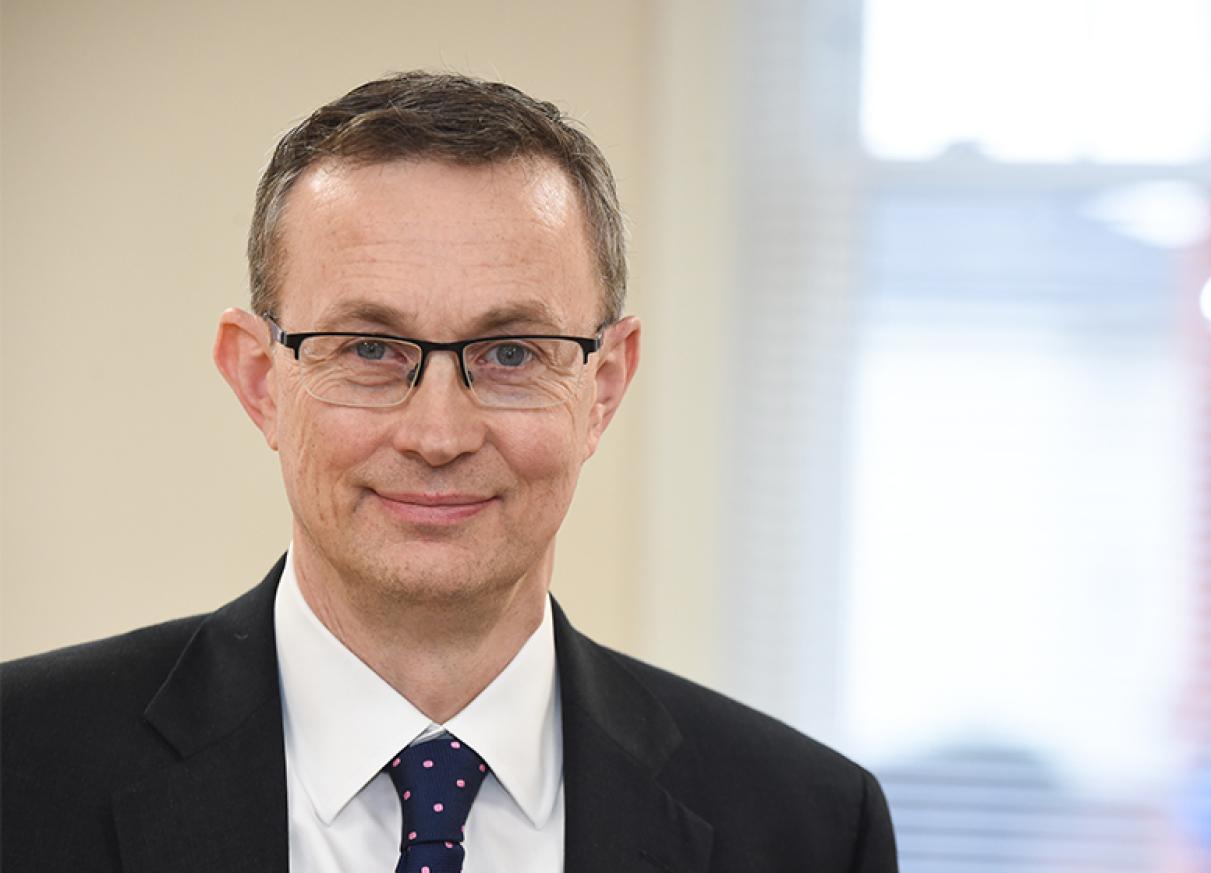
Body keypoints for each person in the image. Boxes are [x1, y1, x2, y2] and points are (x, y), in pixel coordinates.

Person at [1, 71, 897, 873]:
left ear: (606, 386)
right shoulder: (20, 766)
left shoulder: (809, 829)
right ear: (258, 380)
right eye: (370, 348)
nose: (438, 433)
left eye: (511, 351)